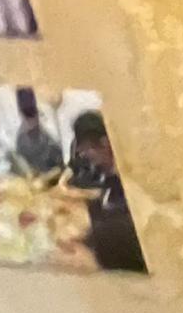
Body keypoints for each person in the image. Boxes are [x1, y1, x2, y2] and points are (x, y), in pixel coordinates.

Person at [63, 108, 148, 273]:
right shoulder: (106, 178)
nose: (83, 154)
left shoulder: (129, 183)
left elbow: (127, 232)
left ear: (105, 143)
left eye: (87, 148)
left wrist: (91, 239)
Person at [11, 85, 65, 177]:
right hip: (37, 177)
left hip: (53, 173)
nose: (32, 121)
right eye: (27, 117)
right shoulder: (22, 139)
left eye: (33, 115)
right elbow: (23, 166)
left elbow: (60, 160)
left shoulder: (45, 130)